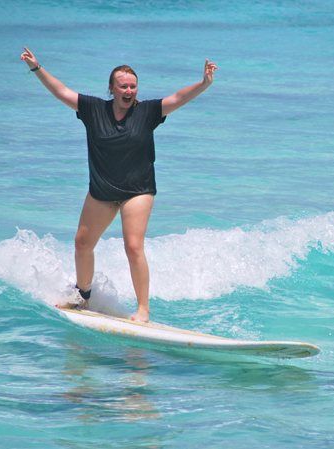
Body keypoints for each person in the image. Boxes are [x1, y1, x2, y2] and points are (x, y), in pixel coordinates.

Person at [20, 47, 217, 322]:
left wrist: (204, 83)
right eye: (123, 86)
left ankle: (143, 309)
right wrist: (36, 68)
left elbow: (178, 97)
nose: (129, 90)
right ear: (111, 88)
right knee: (82, 243)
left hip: (138, 190)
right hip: (103, 191)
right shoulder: (93, 109)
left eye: (133, 86)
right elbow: (62, 91)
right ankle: (82, 298)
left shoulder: (148, 112)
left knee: (133, 246)